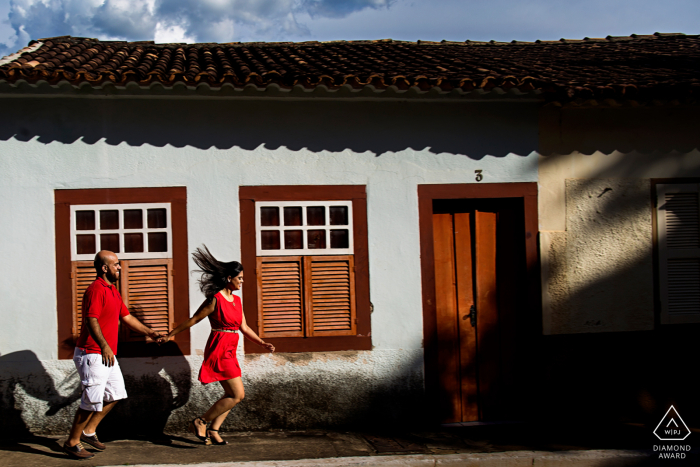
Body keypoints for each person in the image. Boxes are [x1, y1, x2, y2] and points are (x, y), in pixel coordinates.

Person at [158, 245, 274, 445]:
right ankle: (200, 421)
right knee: (238, 394)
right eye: (240, 278)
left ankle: (213, 429)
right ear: (229, 278)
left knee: (232, 394)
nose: (242, 282)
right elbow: (193, 320)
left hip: (231, 348)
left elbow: (244, 327)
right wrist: (170, 335)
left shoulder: (237, 301)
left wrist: (261, 342)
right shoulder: (215, 299)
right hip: (219, 348)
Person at [64, 250, 164, 459]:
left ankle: (88, 431)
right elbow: (91, 320)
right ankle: (72, 442)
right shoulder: (95, 290)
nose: (120, 267)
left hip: (105, 354)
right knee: (91, 400)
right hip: (92, 352)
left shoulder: (113, 291)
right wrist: (105, 346)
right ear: (104, 268)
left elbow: (126, 317)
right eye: (116, 264)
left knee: (116, 393)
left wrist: (151, 333)